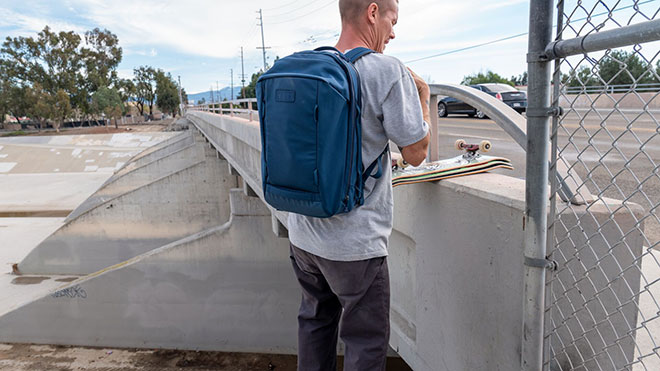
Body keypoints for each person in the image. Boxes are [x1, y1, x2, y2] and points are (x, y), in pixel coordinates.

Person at [288, 0, 431, 369]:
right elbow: (416, 153)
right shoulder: (386, 70)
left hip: (303, 236)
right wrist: (425, 98)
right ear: (372, 12)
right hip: (355, 248)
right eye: (391, 19)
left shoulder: (307, 66)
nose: (394, 32)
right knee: (365, 343)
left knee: (315, 326)